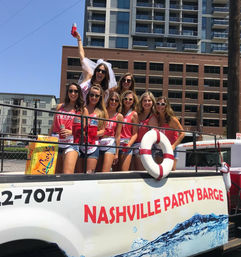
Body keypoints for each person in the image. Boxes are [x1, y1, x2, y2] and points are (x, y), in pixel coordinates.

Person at [49, 82, 88, 174]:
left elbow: (84, 130)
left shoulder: (83, 110)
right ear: (67, 92)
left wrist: (71, 132)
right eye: (71, 91)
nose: (73, 93)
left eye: (76, 91)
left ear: (79, 93)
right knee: (56, 174)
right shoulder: (60, 106)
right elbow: (53, 125)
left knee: (67, 174)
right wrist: (47, 139)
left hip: (71, 143)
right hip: (56, 142)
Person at [74, 32, 116, 102]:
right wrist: (79, 40)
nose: (100, 72)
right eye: (98, 70)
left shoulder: (105, 91)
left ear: (106, 75)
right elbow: (82, 56)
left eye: (103, 72)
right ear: (95, 71)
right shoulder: (89, 75)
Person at [79, 84, 108, 173]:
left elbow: (103, 131)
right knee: (78, 174)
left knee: (89, 174)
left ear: (100, 97)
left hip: (93, 146)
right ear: (88, 95)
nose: (94, 97)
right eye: (92, 95)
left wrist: (93, 134)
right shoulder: (81, 109)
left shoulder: (103, 112)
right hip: (80, 145)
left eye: (97, 96)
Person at [155, 96, 185, 170]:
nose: (160, 106)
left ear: (167, 106)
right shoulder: (156, 118)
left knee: (171, 171)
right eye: (158, 104)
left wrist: (173, 146)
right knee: (159, 170)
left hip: (171, 148)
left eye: (162, 104)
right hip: (160, 148)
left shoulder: (172, 119)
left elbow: (182, 133)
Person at [133, 91, 158, 170]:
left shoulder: (153, 117)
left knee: (140, 172)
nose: (147, 102)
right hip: (134, 146)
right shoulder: (138, 114)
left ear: (153, 102)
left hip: (145, 148)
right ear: (141, 102)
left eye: (149, 100)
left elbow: (154, 137)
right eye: (145, 100)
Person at [98, 92, 123, 172]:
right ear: (108, 100)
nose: (114, 102)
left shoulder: (119, 116)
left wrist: (116, 153)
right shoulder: (102, 112)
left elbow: (118, 135)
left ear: (119, 103)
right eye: (112, 99)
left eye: (116, 100)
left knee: (105, 172)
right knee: (95, 171)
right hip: (98, 143)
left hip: (110, 144)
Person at [118, 90, 139, 171]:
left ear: (133, 101)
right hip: (116, 145)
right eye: (125, 99)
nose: (128, 101)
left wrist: (129, 144)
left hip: (126, 145)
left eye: (130, 99)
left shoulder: (134, 114)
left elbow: (135, 134)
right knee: (115, 173)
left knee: (123, 172)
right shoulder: (119, 112)